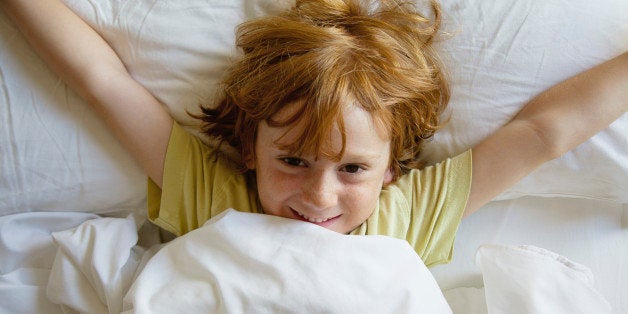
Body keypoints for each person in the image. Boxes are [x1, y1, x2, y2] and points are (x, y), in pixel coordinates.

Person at [2, 0, 626, 267]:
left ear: (391, 169)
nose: (319, 197)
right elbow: (100, 81)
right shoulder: (214, 193)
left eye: (352, 168)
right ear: (250, 149)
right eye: (294, 160)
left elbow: (546, 131)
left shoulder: (412, 211)